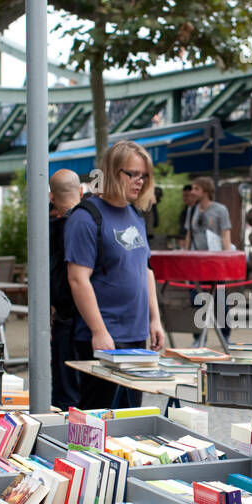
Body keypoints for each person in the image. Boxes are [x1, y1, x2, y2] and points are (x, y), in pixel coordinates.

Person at [64, 139, 165, 410]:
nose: (139, 181)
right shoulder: (86, 217)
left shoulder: (135, 214)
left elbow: (145, 270)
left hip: (136, 334)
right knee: (99, 417)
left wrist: (155, 320)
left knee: (131, 417)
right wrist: (99, 331)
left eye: (143, 175)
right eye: (131, 174)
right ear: (112, 172)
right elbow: (77, 278)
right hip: (103, 335)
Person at [48, 168, 83, 411]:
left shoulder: (49, 231)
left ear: (52, 197)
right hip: (90, 317)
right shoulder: (89, 225)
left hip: (63, 315)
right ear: (81, 191)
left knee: (65, 392)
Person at [183, 177, 233, 252]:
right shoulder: (191, 210)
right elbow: (188, 235)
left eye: (196, 189)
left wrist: (227, 255)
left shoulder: (220, 209)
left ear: (206, 191)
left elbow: (225, 234)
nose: (192, 192)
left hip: (214, 256)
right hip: (195, 256)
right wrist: (186, 254)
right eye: (192, 189)